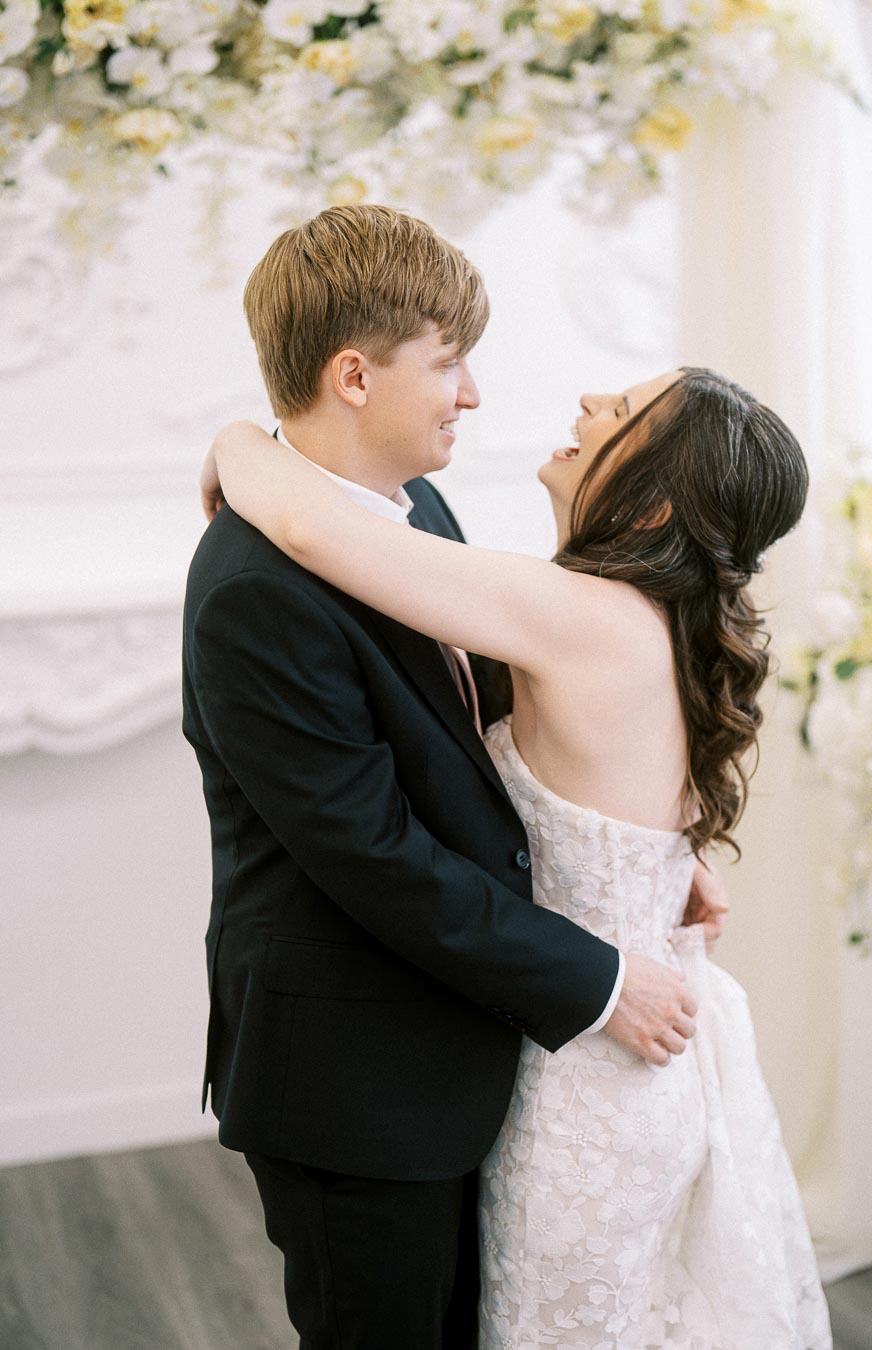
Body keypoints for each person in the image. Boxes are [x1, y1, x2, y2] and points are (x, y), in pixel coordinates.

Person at [200, 350, 833, 1342]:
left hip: (589, 1068)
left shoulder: (577, 616)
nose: (588, 400)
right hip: (614, 1043)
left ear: (656, 507)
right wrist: (676, 858)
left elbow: (305, 523)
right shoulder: (639, 618)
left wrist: (237, 440)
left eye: (621, 410)